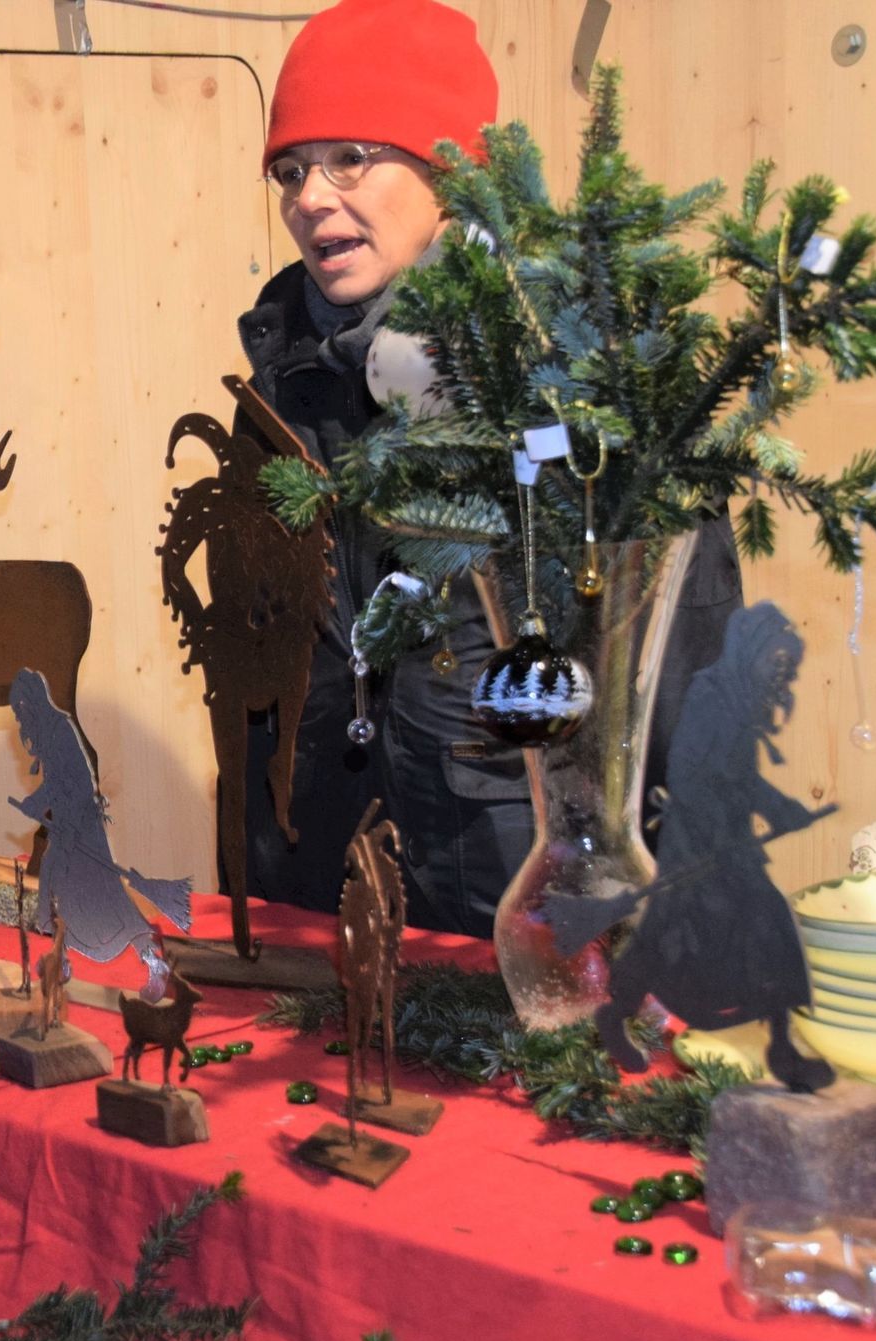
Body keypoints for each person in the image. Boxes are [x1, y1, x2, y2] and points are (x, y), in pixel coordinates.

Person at [236, 0, 740, 935]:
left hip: (525, 913)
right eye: (291, 170)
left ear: (453, 169)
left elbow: (682, 679)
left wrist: (682, 927)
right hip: (322, 905)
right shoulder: (281, 385)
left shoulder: (581, 376)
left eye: (351, 157)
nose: (309, 198)